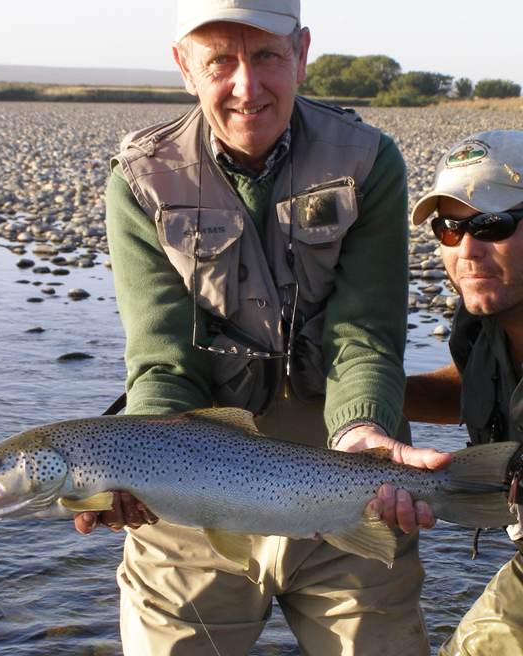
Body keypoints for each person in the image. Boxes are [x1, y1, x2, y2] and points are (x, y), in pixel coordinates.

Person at [76, 1, 448, 653]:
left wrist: (362, 430)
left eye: (267, 56)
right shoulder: (141, 180)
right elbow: (162, 360)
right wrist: (143, 463)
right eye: (220, 59)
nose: (246, 86)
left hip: (338, 462)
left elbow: (364, 334)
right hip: (193, 468)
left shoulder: (368, 162)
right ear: (184, 66)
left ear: (302, 54)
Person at [406, 129, 523, 655]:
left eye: (491, 225)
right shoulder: (486, 319)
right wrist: (349, 398)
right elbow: (477, 388)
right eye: (449, 228)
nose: (467, 251)